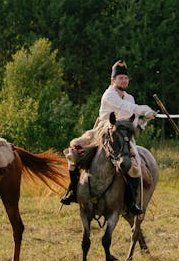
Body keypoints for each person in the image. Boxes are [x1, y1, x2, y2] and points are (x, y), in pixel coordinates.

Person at [61, 60, 156, 213]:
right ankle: (73, 190)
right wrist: (144, 109)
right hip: (102, 132)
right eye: (120, 78)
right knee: (73, 152)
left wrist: (144, 119)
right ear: (113, 80)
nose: (124, 80)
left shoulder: (130, 98)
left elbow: (133, 120)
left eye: (126, 78)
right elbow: (125, 107)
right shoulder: (109, 95)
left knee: (135, 165)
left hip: (123, 135)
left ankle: (131, 202)